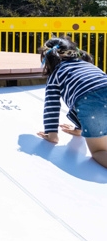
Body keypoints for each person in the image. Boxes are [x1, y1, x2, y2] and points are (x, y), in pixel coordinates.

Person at [37, 37, 107, 170]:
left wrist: (51, 134)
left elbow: (52, 106)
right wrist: (79, 129)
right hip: (100, 92)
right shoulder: (88, 65)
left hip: (91, 102)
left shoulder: (56, 74)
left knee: (99, 152)